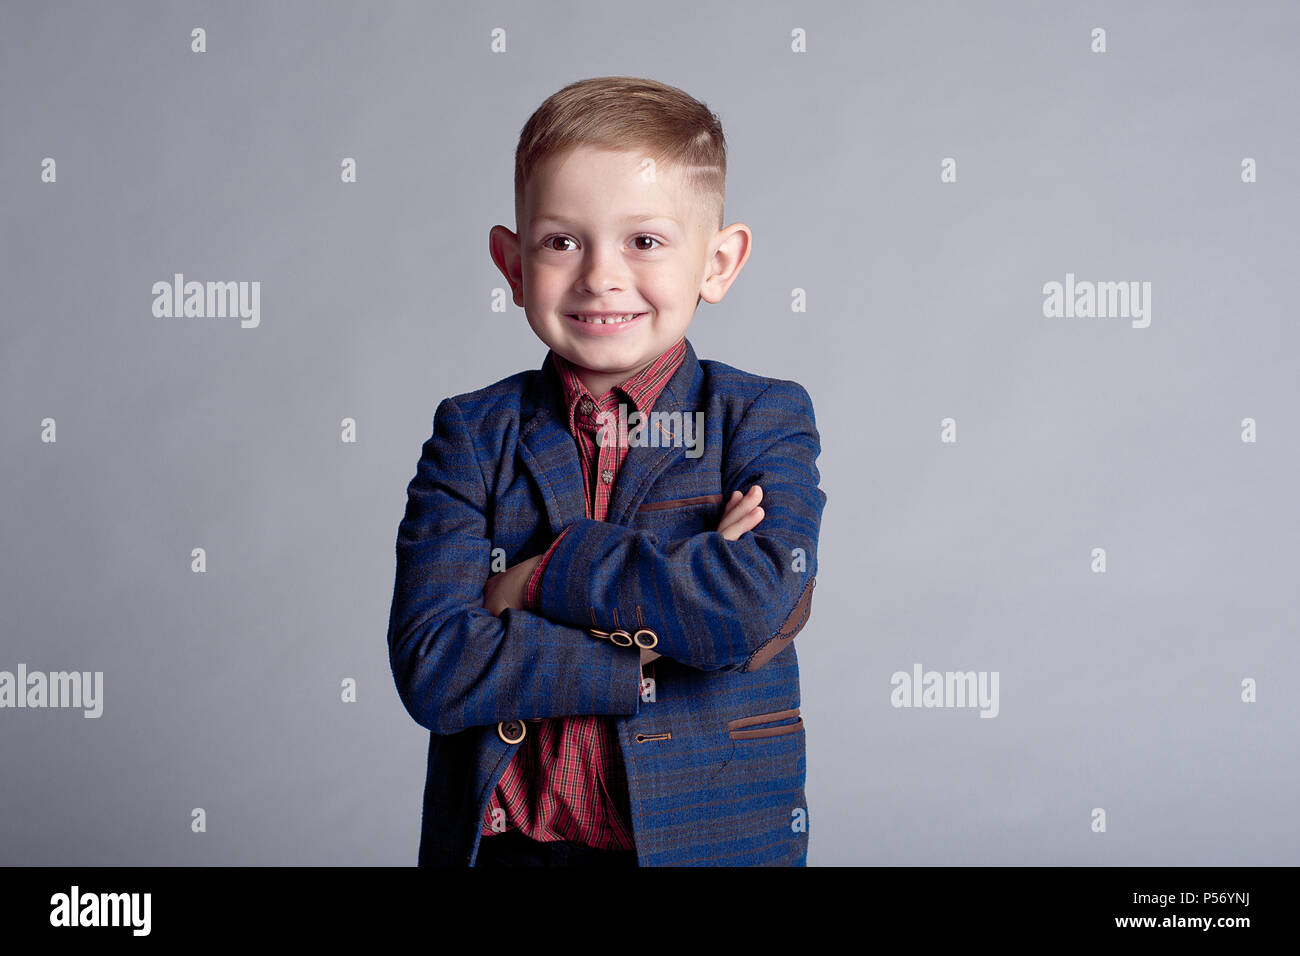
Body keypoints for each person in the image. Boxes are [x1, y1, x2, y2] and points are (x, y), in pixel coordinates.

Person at [387, 76, 827, 866]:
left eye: (645, 242)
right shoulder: (473, 434)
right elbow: (436, 668)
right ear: (512, 263)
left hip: (703, 843)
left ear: (717, 263)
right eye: (561, 241)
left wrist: (540, 578)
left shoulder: (761, 417)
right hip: (515, 848)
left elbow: (750, 606)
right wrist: (664, 647)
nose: (599, 276)